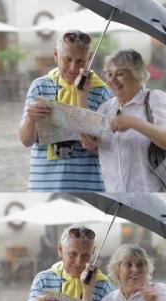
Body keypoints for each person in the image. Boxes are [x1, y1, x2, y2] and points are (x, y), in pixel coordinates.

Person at [19, 30, 112, 192]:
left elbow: (110, 152)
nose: (73, 67)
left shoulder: (103, 93)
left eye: (80, 61)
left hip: (89, 187)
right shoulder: (40, 86)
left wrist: (93, 146)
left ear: (89, 59)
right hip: (43, 184)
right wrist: (31, 119)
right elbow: (26, 141)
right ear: (56, 56)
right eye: (67, 60)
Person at [80, 49, 166, 192]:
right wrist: (81, 95)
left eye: (120, 74)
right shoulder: (107, 107)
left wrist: (133, 123)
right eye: (109, 74)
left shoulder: (155, 99)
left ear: (137, 74)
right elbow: (96, 146)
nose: (112, 80)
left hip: (149, 195)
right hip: (115, 194)